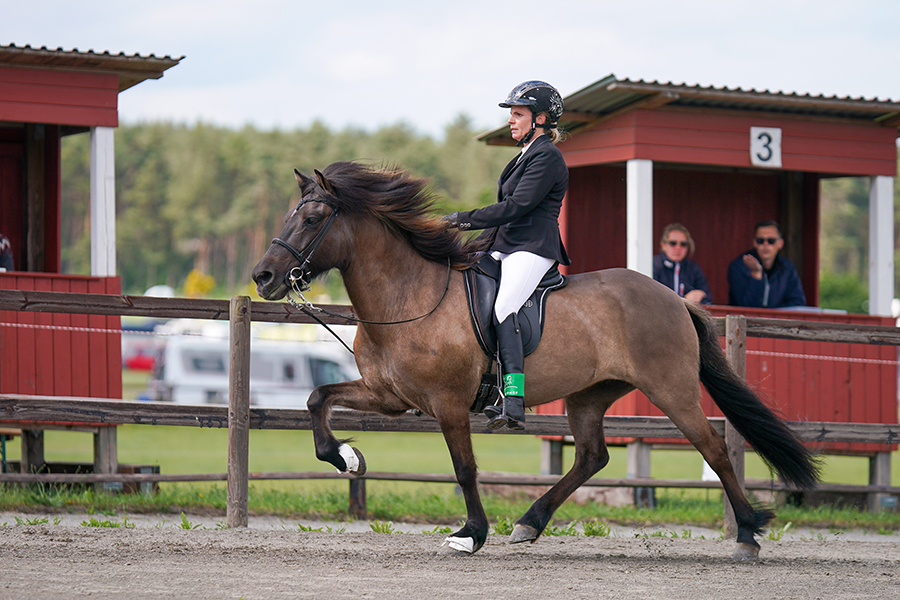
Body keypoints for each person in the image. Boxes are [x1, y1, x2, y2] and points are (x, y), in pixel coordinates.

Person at [443, 81, 569, 430]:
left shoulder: (547, 157)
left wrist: (459, 219)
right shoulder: (525, 155)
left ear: (540, 119)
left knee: (504, 307)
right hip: (506, 244)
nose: (511, 121)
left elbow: (515, 207)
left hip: (532, 247)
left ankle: (513, 399)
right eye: (512, 114)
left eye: (518, 114)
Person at [727, 220, 806, 308]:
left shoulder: (787, 267)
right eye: (760, 241)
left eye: (771, 241)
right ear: (755, 243)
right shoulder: (738, 266)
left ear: (780, 243)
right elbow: (747, 307)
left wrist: (776, 316)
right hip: (743, 321)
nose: (765, 244)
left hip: (776, 320)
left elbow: (797, 302)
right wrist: (756, 274)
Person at [652, 223, 712, 304]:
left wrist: (699, 298)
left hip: (687, 316)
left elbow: (707, 300)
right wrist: (684, 300)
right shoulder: (654, 265)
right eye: (673, 243)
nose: (678, 248)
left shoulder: (693, 268)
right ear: (663, 245)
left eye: (683, 244)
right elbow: (652, 299)